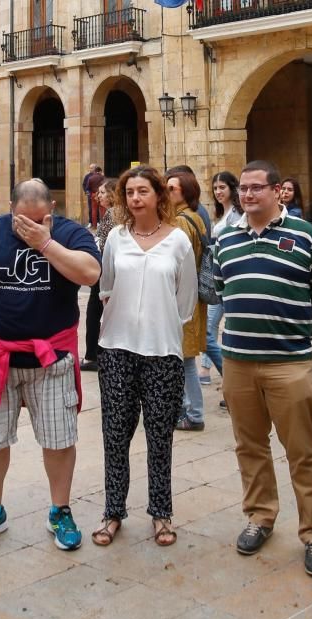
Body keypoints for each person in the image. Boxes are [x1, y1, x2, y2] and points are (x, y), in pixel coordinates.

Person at [0, 179, 100, 552]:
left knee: (59, 438)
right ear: (10, 209)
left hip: (52, 360)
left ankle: (60, 510)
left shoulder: (69, 232)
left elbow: (90, 273)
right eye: (23, 221)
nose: (31, 225)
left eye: (41, 219)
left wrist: (45, 243)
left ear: (51, 209)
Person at [215, 160, 312, 577]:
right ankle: (260, 516)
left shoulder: (306, 236)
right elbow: (219, 289)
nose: (246, 195)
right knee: (249, 446)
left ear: (276, 191)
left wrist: (298, 332)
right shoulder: (226, 239)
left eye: (255, 188)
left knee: (303, 451)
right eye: (242, 189)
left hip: (289, 363)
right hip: (237, 362)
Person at [92, 165, 197, 547]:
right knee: (115, 435)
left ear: (159, 197)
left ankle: (161, 513)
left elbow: (185, 302)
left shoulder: (179, 241)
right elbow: (106, 287)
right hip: (117, 348)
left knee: (159, 436)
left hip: (163, 352)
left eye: (143, 192)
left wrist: (157, 320)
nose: (136, 198)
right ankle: (112, 511)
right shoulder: (117, 239)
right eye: (130, 192)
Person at [166, 168, 207, 431]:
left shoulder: (181, 221)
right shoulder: (195, 216)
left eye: (172, 189)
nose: (166, 192)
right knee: (185, 357)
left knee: (185, 360)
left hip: (182, 299)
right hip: (191, 298)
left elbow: (178, 265)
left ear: (185, 193)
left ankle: (193, 413)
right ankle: (188, 409)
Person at [199, 171, 242, 391]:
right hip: (217, 278)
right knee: (209, 327)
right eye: (215, 188)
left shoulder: (236, 215)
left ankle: (231, 381)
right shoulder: (222, 213)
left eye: (222, 187)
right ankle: (208, 371)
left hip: (229, 278)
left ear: (232, 188)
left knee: (222, 329)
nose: (218, 192)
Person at [82, 177, 118, 371]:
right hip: (113, 270)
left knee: (94, 311)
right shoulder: (120, 213)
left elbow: (103, 245)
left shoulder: (111, 213)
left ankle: (92, 355)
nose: (98, 196)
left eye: (103, 192)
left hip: (104, 269)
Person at [87, 166, 105, 230]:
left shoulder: (90, 178)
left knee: (94, 211)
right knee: (102, 210)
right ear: (100, 171)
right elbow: (105, 185)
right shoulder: (102, 177)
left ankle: (94, 226)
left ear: (95, 171)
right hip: (101, 194)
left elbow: (88, 187)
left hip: (93, 194)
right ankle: (103, 226)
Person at [82, 163, 97, 227]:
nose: (90, 169)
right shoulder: (87, 176)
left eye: (92, 168)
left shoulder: (98, 175)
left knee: (98, 209)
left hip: (98, 194)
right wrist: (86, 192)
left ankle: (98, 222)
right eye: (90, 168)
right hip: (90, 194)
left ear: (95, 168)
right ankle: (90, 222)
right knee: (90, 209)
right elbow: (84, 184)